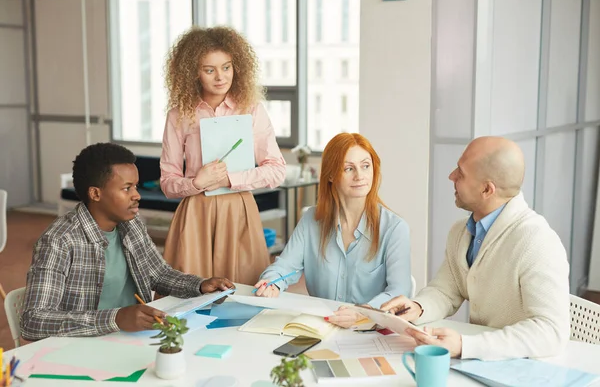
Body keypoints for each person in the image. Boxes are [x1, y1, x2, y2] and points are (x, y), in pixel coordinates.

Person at [380, 136, 570, 360]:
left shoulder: (537, 241)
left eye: (460, 173)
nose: (451, 176)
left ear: (487, 190)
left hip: (526, 372)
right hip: (480, 367)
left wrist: (465, 345)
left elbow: (551, 331)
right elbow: (445, 291)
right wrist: (418, 307)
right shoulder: (461, 231)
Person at [21, 143, 234, 341]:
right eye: (127, 188)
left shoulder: (131, 225)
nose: (137, 195)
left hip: (136, 339)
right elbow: (33, 321)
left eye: (136, 187)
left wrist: (199, 285)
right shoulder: (60, 240)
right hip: (86, 346)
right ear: (95, 193)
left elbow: (159, 274)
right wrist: (116, 318)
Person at [160, 26, 286, 285]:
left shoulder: (251, 110)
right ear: (193, 73)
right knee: (189, 295)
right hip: (196, 213)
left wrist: (230, 179)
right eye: (210, 70)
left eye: (226, 67)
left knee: (243, 293)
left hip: (240, 212)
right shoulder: (178, 115)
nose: (220, 77)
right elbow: (167, 182)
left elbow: (276, 170)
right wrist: (196, 182)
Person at [254, 133, 412, 328]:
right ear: (330, 175)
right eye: (348, 168)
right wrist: (272, 282)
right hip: (321, 327)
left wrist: (362, 313)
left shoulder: (395, 229)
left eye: (365, 166)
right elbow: (285, 267)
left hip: (371, 330)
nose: (360, 176)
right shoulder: (311, 220)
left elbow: (399, 291)